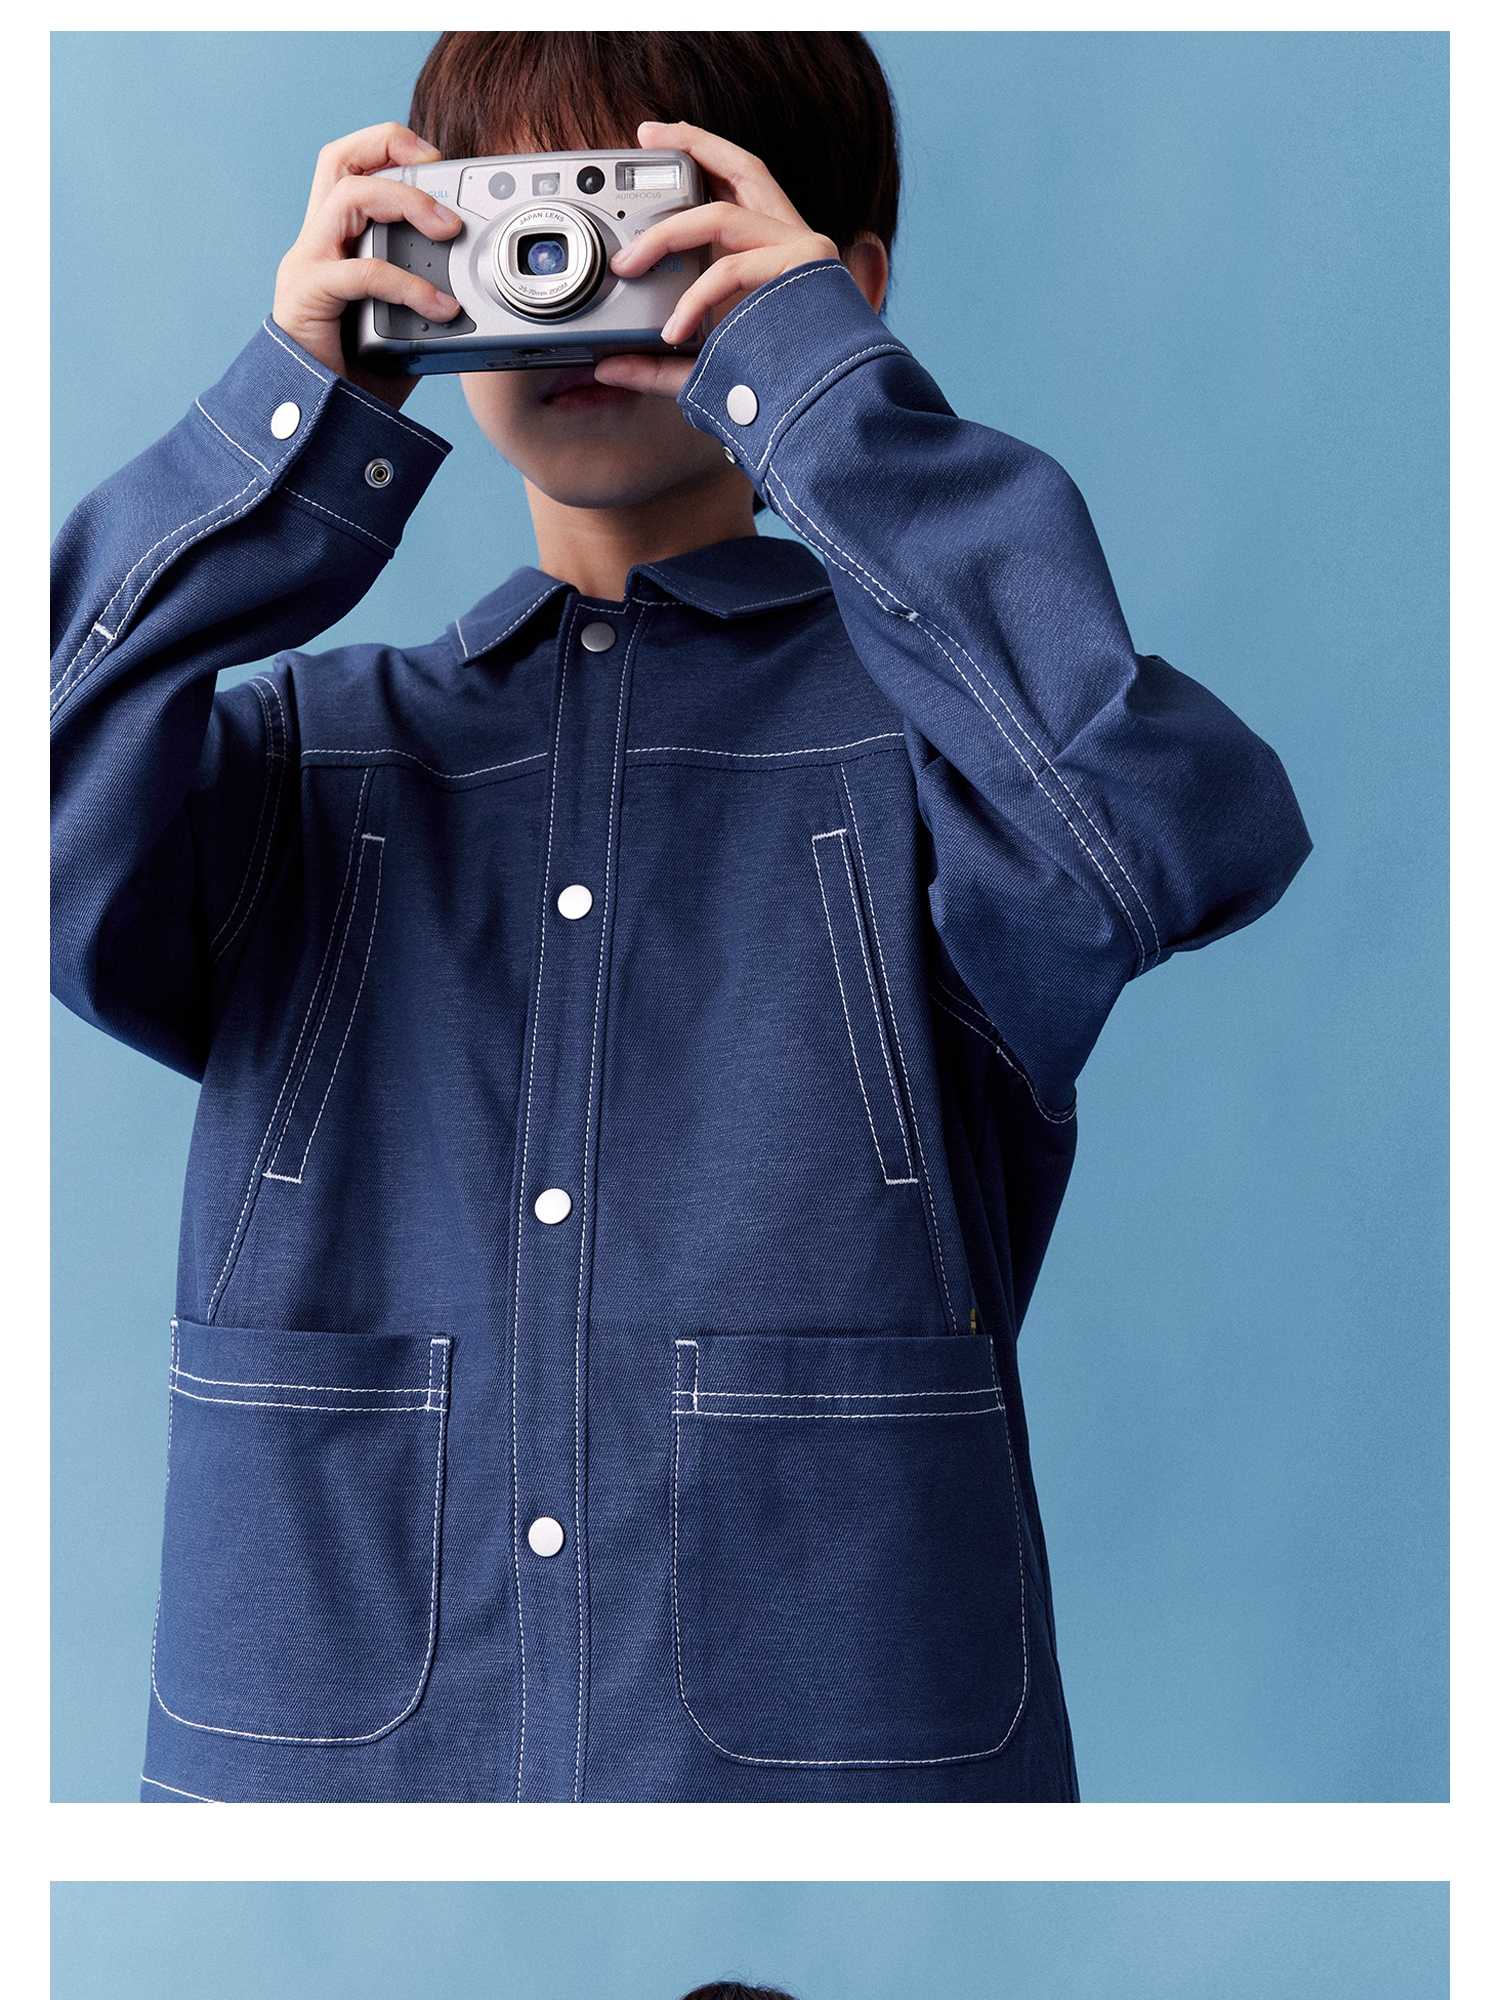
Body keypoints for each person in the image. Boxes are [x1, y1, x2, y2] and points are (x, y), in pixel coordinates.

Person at [50, 31, 1311, 1805]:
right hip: (327, 1768)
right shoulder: (298, 766)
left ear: (836, 278)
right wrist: (284, 422)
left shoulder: (948, 760)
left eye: (652, 212)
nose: (579, 272)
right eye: (515, 215)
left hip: (842, 1770)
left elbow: (1163, 834)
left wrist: (812, 391)